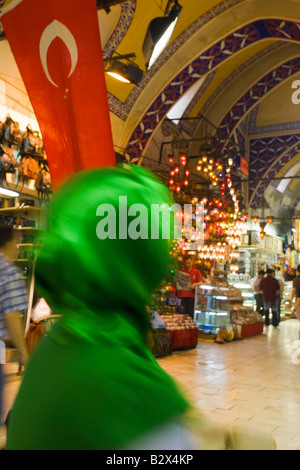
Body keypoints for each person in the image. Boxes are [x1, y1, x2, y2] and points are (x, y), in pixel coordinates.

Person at [0, 225, 28, 425]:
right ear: (10, 243)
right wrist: (24, 352)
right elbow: (11, 316)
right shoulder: (9, 271)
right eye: (16, 243)